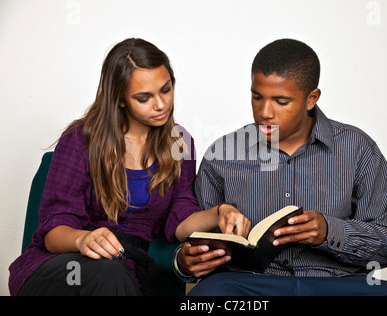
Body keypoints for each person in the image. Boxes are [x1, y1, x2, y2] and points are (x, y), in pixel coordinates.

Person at [175, 38, 387, 296]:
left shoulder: (358, 148)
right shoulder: (222, 154)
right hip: (250, 285)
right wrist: (184, 261)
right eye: (257, 97)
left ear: (311, 98)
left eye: (281, 101)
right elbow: (192, 236)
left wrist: (329, 231)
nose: (265, 112)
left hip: (339, 285)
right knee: (207, 296)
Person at [8, 38, 248, 296]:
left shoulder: (179, 144)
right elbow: (53, 230)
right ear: (120, 99)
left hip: (126, 268)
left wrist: (221, 211)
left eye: (166, 90)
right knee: (110, 271)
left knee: (117, 273)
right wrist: (83, 239)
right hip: (64, 266)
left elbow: (180, 219)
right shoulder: (80, 139)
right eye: (144, 98)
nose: (160, 104)